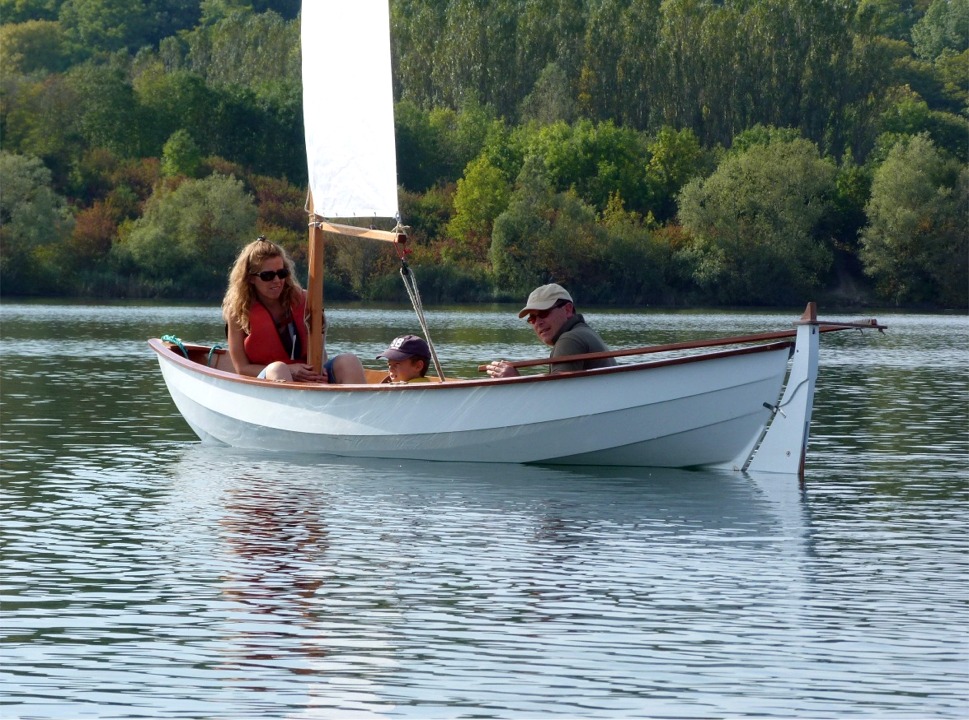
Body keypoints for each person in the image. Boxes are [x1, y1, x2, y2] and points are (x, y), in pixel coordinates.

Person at [222, 237, 366, 383]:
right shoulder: (238, 311)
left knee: (349, 361)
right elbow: (241, 368)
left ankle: (357, 404)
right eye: (268, 276)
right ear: (250, 278)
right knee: (278, 369)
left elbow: (320, 352)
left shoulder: (306, 301)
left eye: (281, 273)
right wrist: (290, 370)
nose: (277, 280)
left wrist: (319, 369)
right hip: (266, 380)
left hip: (308, 377)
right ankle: (292, 404)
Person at [485, 283, 617, 378]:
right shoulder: (584, 332)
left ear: (567, 309)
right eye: (532, 318)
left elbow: (557, 396)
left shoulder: (569, 340)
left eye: (543, 313)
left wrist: (514, 380)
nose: (538, 322)